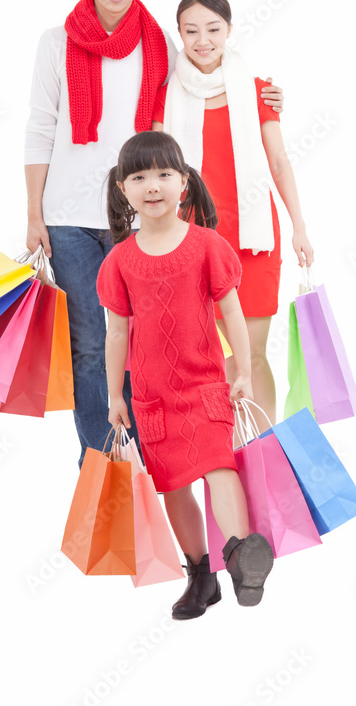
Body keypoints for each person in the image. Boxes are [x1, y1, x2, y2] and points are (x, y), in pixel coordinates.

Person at [24, 0, 285, 465]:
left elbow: (208, 74)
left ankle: (153, 458)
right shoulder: (56, 43)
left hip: (137, 218)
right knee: (92, 347)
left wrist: (266, 92)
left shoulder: (160, 44)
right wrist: (33, 213)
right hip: (68, 217)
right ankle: (100, 463)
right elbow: (39, 128)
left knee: (145, 346)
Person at [96, 131, 275, 619]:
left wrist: (242, 366)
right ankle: (202, 576)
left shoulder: (206, 245)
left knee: (220, 466)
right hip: (153, 398)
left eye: (163, 174)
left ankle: (240, 554)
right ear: (121, 189)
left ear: (184, 183)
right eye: (139, 176)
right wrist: (115, 395)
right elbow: (116, 335)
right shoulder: (119, 261)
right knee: (174, 486)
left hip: (205, 385)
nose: (152, 185)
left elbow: (231, 313)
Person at [151, 0, 314, 430]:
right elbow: (155, 175)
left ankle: (265, 451)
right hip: (193, 243)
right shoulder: (164, 96)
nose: (203, 40)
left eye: (213, 29)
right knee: (210, 357)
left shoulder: (258, 91)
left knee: (253, 355)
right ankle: (226, 453)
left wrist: (299, 226)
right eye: (191, 31)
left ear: (229, 30)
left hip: (253, 238)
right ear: (179, 34)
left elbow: (279, 162)